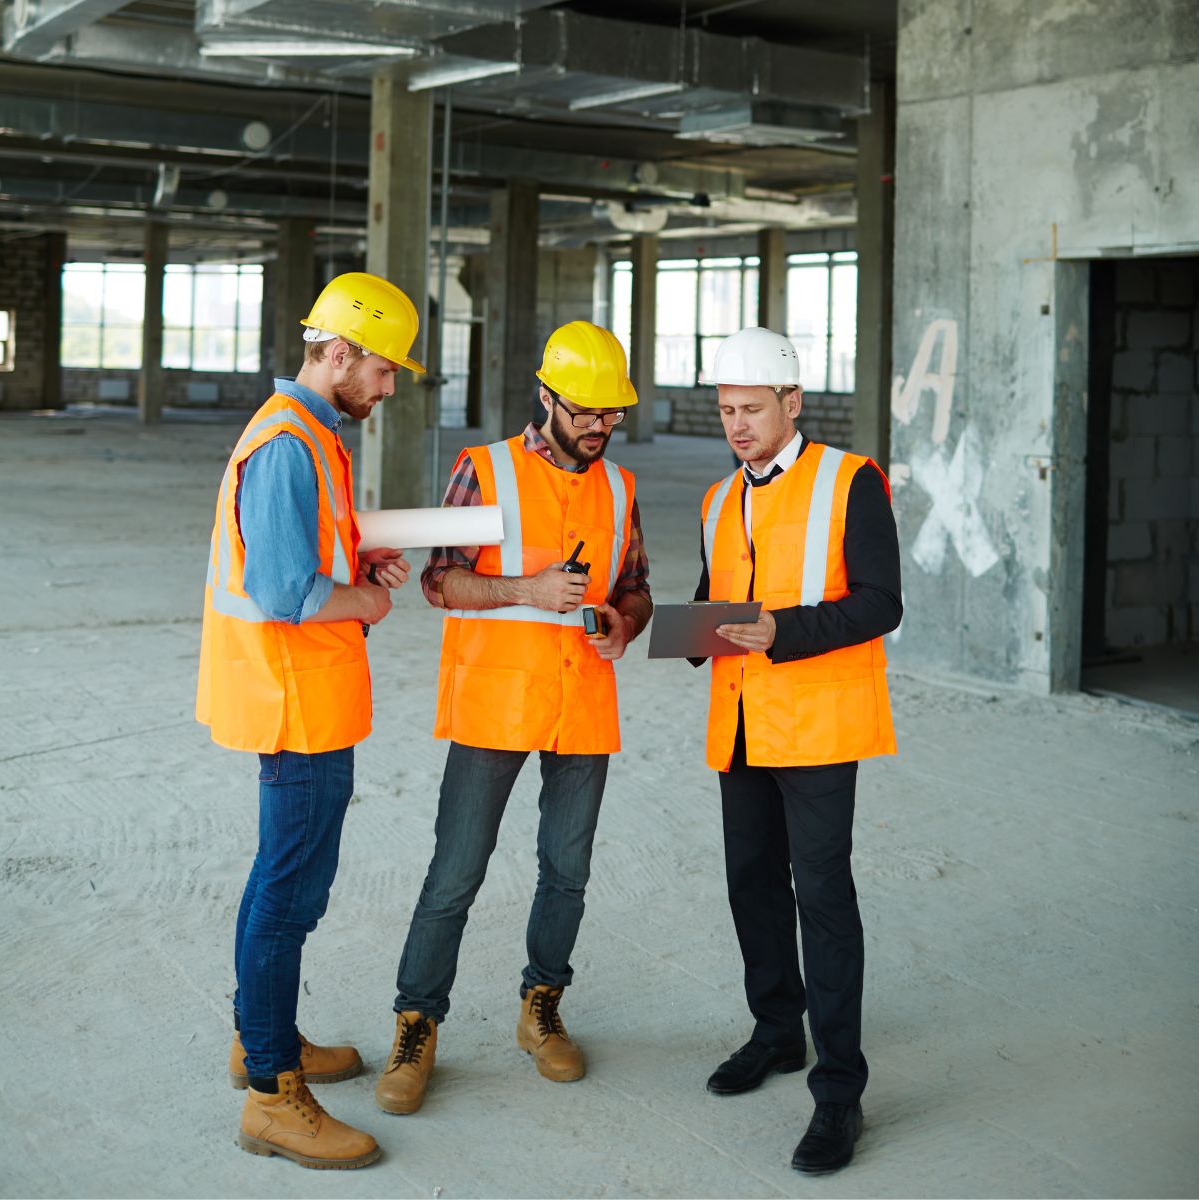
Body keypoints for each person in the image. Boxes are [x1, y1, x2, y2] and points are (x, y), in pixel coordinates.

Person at [374, 320, 653, 1116]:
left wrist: (624, 624)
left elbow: (636, 585)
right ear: (546, 397)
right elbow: (439, 581)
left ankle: (542, 1007)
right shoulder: (485, 469)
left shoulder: (620, 487)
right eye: (586, 410)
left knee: (568, 872)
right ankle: (416, 1024)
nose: (600, 425)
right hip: (495, 701)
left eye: (611, 412)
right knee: (455, 874)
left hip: (582, 702)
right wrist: (526, 590)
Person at [196, 271, 425, 1170]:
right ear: (337, 353)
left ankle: (261, 1038)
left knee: (283, 886)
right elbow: (286, 591)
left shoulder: (313, 434)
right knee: (287, 896)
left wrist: (357, 564)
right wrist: (366, 599)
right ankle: (270, 1095)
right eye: (383, 368)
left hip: (310, 695)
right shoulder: (290, 443)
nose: (390, 386)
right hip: (294, 703)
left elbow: (305, 557)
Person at [691, 326, 901, 1174]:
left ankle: (840, 1091)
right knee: (751, 883)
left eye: (751, 409)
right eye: (726, 411)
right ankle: (778, 1030)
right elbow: (715, 600)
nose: (737, 426)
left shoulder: (851, 481)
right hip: (740, 721)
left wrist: (783, 630)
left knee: (822, 897)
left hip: (816, 724)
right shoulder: (717, 499)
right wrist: (669, 630)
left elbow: (881, 603)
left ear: (793, 402)